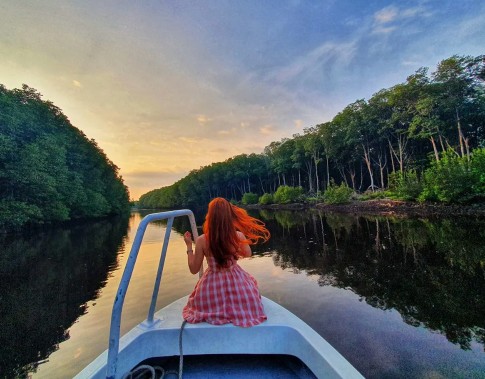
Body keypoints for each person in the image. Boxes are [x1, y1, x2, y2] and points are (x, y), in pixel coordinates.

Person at [182, 197, 270, 327]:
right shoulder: (237, 236)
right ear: (229, 216)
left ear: (210, 216)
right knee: (252, 283)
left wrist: (189, 246)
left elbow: (194, 269)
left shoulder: (201, 240)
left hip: (211, 283)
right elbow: (248, 254)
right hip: (236, 279)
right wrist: (232, 253)